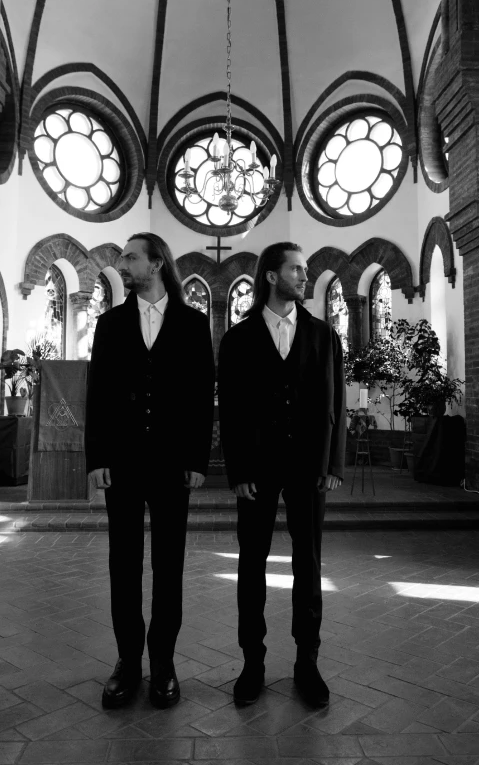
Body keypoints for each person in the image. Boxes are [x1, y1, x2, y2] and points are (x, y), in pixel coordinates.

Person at [86, 233, 215, 710]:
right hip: (120, 464)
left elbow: (202, 397)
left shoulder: (193, 324)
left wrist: (197, 460)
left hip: (171, 466)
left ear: (157, 263)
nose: (123, 263)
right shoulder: (109, 324)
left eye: (131, 256)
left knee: (169, 567)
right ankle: (127, 662)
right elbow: (97, 395)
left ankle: (163, 663)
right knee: (123, 565)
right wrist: (96, 459)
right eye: (123, 257)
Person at [218, 242, 346, 707]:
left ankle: (306, 663)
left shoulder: (323, 335)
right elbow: (229, 411)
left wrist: (333, 464)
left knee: (308, 564)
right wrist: (237, 470)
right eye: (297, 269)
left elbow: (336, 404)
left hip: (309, 469)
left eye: (306, 270)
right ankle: (253, 662)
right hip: (255, 469)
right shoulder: (238, 338)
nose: (304, 276)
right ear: (271, 276)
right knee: (251, 565)